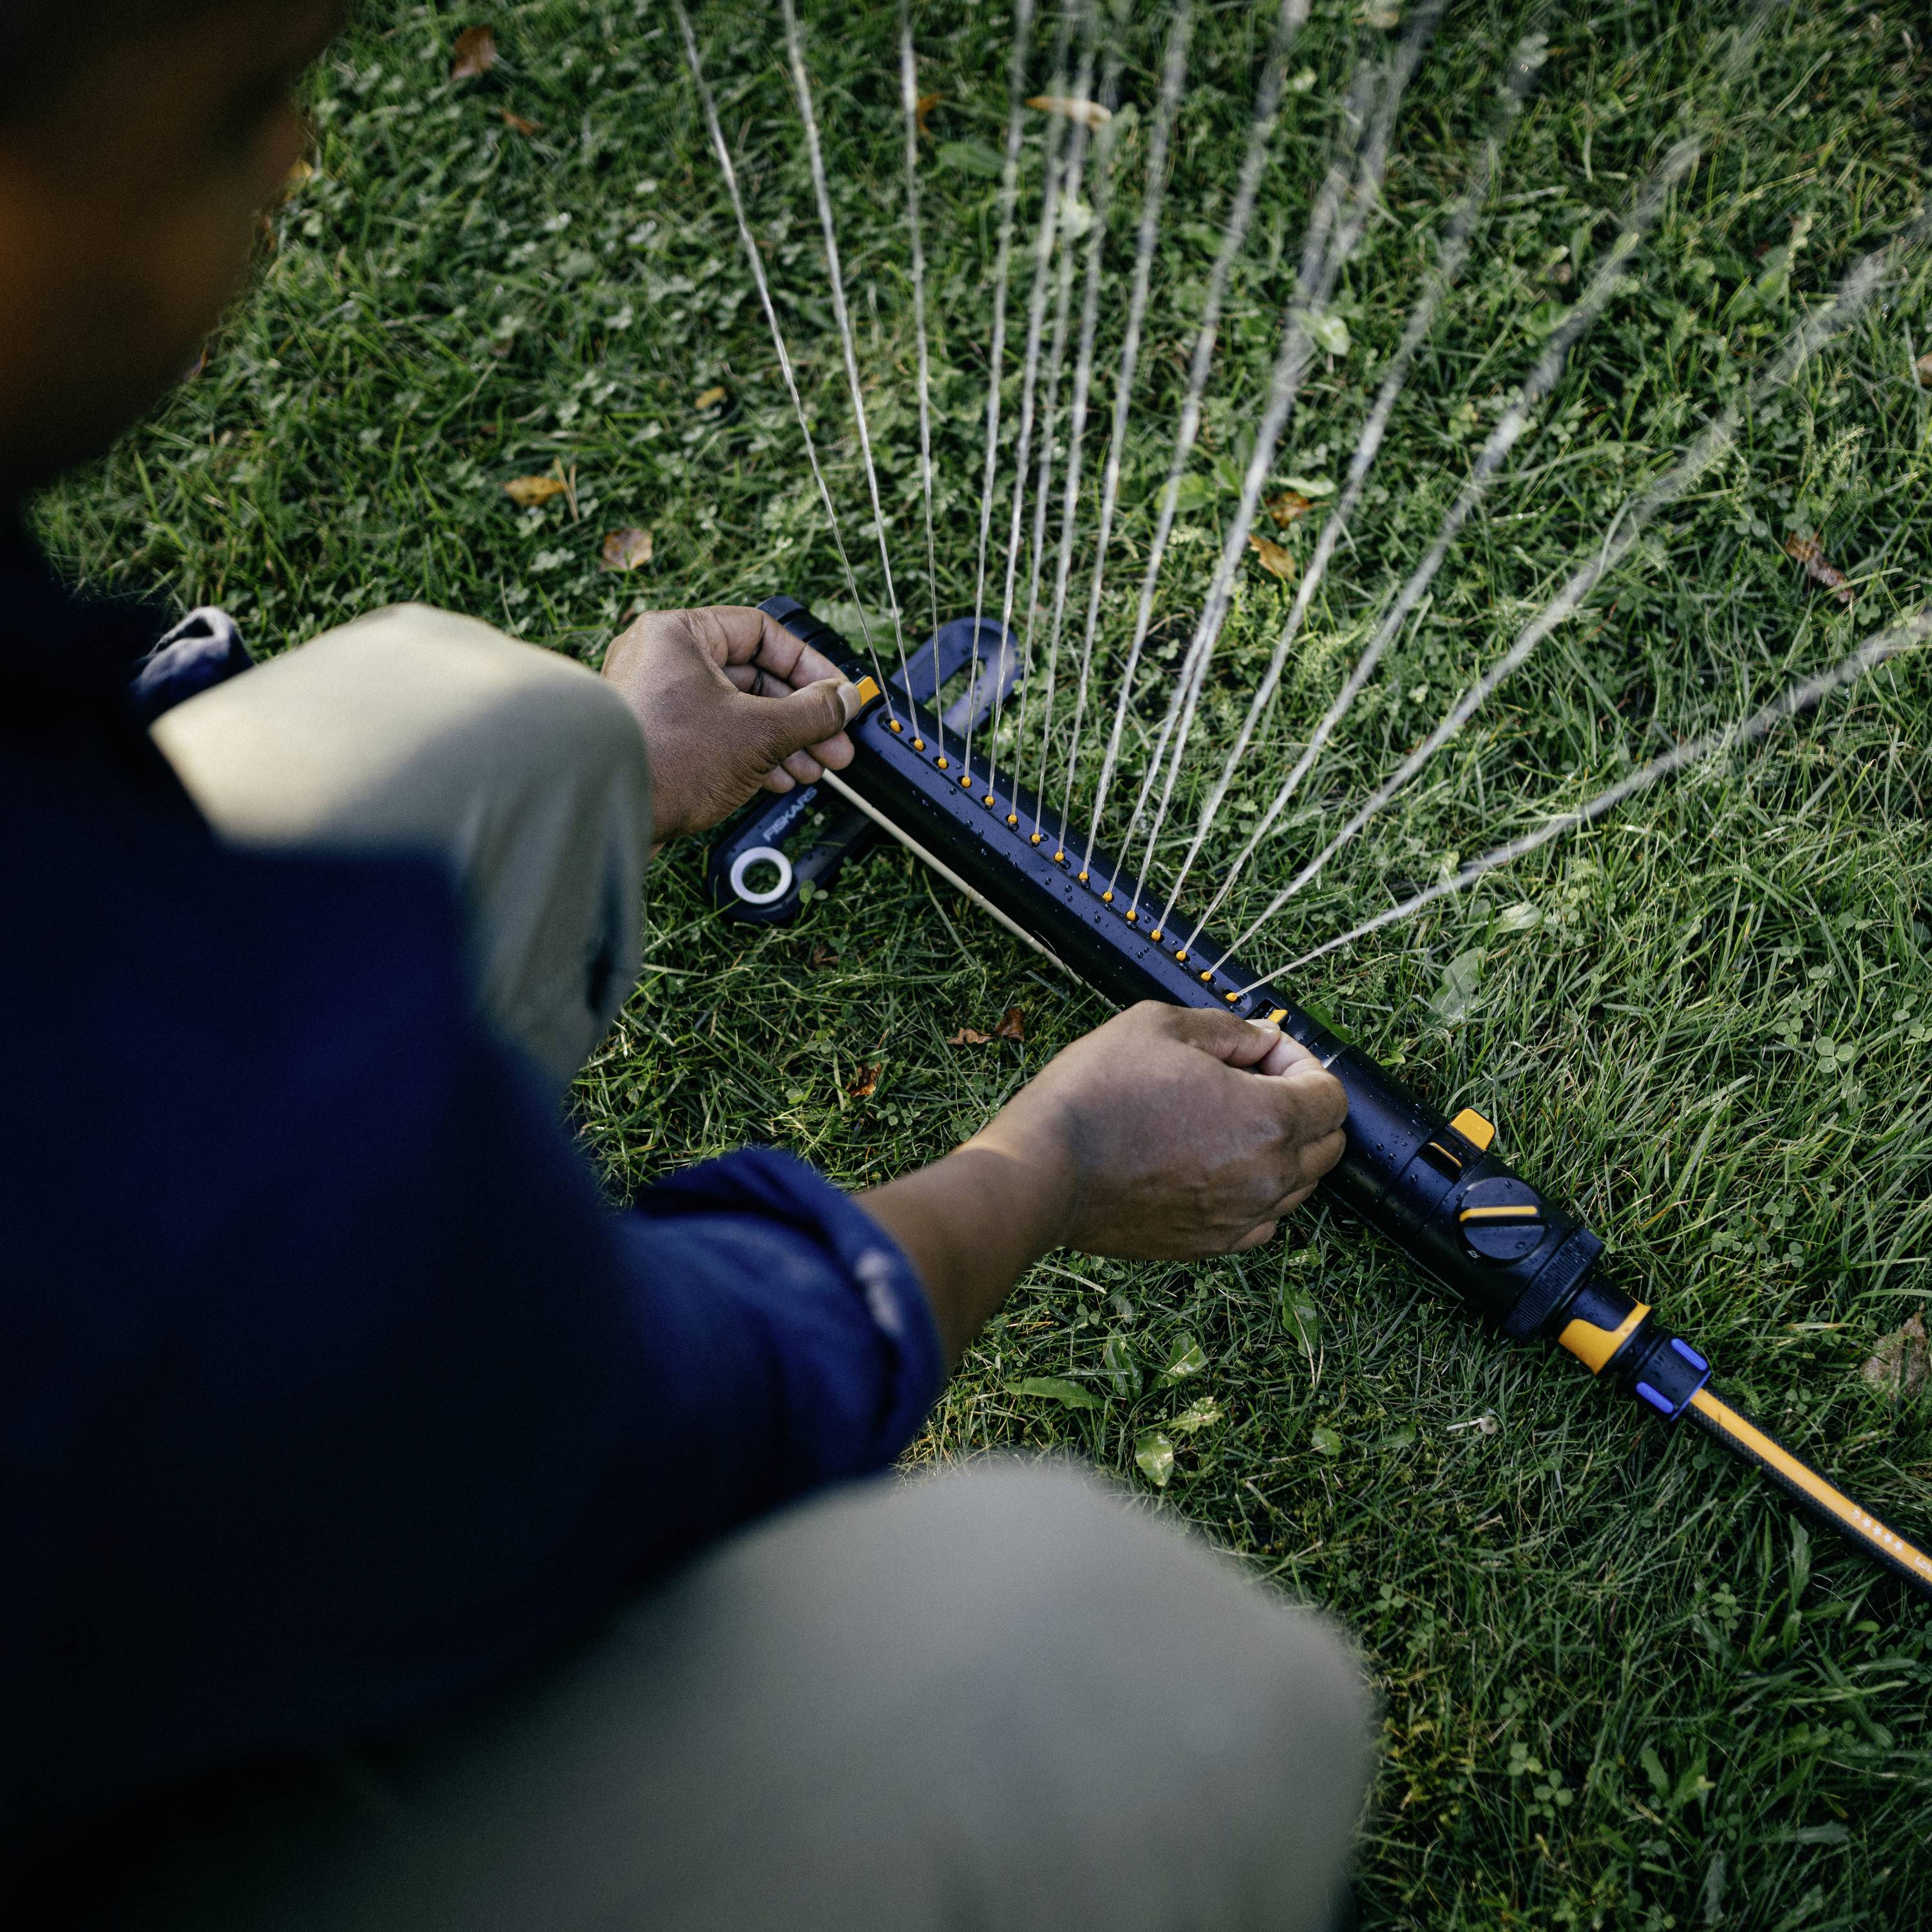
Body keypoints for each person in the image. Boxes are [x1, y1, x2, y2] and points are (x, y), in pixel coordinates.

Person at [1, 5, 1372, 1927]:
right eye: (235, 113)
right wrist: (1049, 1165)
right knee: (1109, 1671)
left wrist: (611, 768)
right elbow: (659, 1418)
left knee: (476, 728)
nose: (296, 156)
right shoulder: (181, 1158)